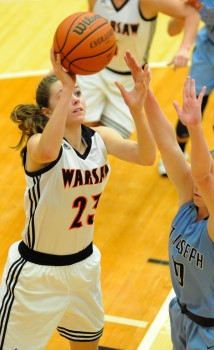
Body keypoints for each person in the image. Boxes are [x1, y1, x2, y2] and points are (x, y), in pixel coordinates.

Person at [0, 49, 156, 350]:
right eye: (64, 95)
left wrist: (138, 109)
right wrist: (67, 83)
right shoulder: (38, 145)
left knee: (87, 346)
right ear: (47, 112)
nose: (75, 98)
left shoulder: (101, 138)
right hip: (37, 274)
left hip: (83, 266)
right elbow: (48, 152)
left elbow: (147, 157)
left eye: (79, 92)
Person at [143, 69, 214, 348]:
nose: (200, 179)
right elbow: (167, 144)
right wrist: (145, 95)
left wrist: (195, 128)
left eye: (213, 177)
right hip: (182, 317)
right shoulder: (189, 200)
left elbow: (201, 175)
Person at [77, 0, 200, 138]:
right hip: (94, 71)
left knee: (108, 141)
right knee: (83, 134)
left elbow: (191, 14)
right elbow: (88, 23)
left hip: (130, 79)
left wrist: (184, 48)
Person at [159, 0, 214, 176]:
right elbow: (171, 31)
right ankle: (178, 153)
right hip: (209, 53)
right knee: (189, 113)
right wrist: (184, 12)